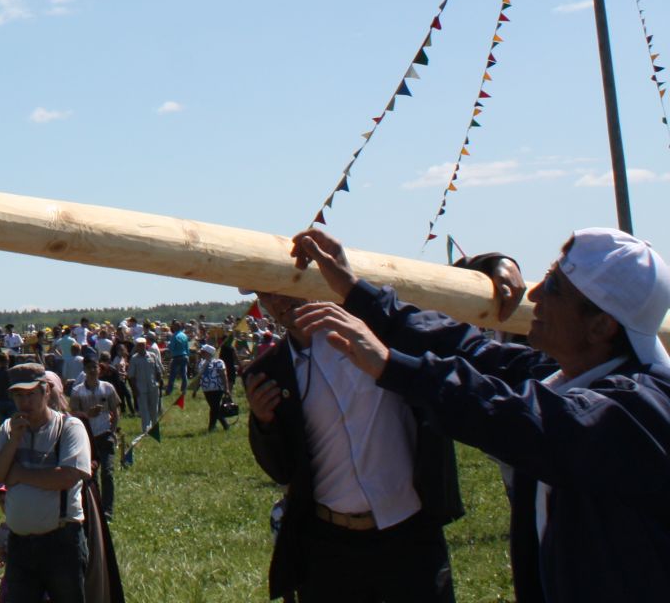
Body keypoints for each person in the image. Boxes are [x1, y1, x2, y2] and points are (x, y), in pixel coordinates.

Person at [284, 225, 670, 603]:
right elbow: (465, 348)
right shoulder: (568, 375)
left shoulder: (638, 408)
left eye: (553, 286)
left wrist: (391, 365)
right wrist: (354, 289)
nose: (534, 293)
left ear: (601, 325)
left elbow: (519, 419)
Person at [242, 282, 471, 603]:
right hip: (330, 544)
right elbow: (282, 470)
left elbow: (441, 352)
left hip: (408, 533)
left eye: (285, 286)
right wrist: (264, 424)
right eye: (265, 294)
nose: (277, 300)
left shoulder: (371, 334)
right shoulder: (268, 372)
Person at [0, 363, 91, 603]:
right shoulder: (9, 430)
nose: (24, 402)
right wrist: (13, 442)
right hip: (20, 544)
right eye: (18, 396)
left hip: (61, 542)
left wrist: (18, 474)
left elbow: (66, 477)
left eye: (30, 394)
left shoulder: (69, 428)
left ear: (46, 392)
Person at [69, 350, 119, 521]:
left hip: (105, 435)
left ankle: (108, 509)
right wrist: (87, 414)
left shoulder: (108, 388)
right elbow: (73, 415)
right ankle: (96, 507)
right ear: (84, 369)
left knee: (108, 472)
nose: (92, 371)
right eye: (89, 368)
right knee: (91, 474)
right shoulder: (77, 391)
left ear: (100, 369)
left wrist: (113, 431)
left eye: (95, 367)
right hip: (87, 437)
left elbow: (115, 410)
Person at [127, 339, 162, 441]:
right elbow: (131, 376)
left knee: (154, 409)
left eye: (143, 345)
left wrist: (158, 383)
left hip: (153, 387)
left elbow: (158, 370)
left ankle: (155, 429)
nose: (141, 347)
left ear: (145, 345)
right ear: (136, 347)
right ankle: (146, 430)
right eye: (139, 345)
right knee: (144, 410)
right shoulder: (134, 359)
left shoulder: (152, 356)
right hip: (140, 388)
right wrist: (134, 389)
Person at [197, 345, 232, 432]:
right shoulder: (201, 363)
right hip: (206, 389)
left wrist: (226, 388)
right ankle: (225, 425)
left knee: (214, 407)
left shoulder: (218, 362)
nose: (201, 354)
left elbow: (223, 375)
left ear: (209, 353)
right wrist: (196, 389)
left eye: (203, 352)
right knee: (215, 407)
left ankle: (211, 427)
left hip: (217, 388)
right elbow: (199, 377)